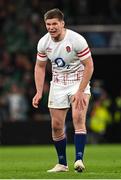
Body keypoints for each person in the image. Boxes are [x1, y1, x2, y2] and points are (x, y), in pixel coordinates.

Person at [32, 8, 94, 173]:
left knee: (77, 117)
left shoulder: (76, 40)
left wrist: (80, 91)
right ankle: (62, 164)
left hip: (78, 82)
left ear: (62, 24)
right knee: (57, 126)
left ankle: (79, 159)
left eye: (54, 24)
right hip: (58, 84)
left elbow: (89, 65)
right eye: (48, 24)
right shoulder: (44, 42)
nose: (51, 27)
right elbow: (39, 67)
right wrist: (39, 92)